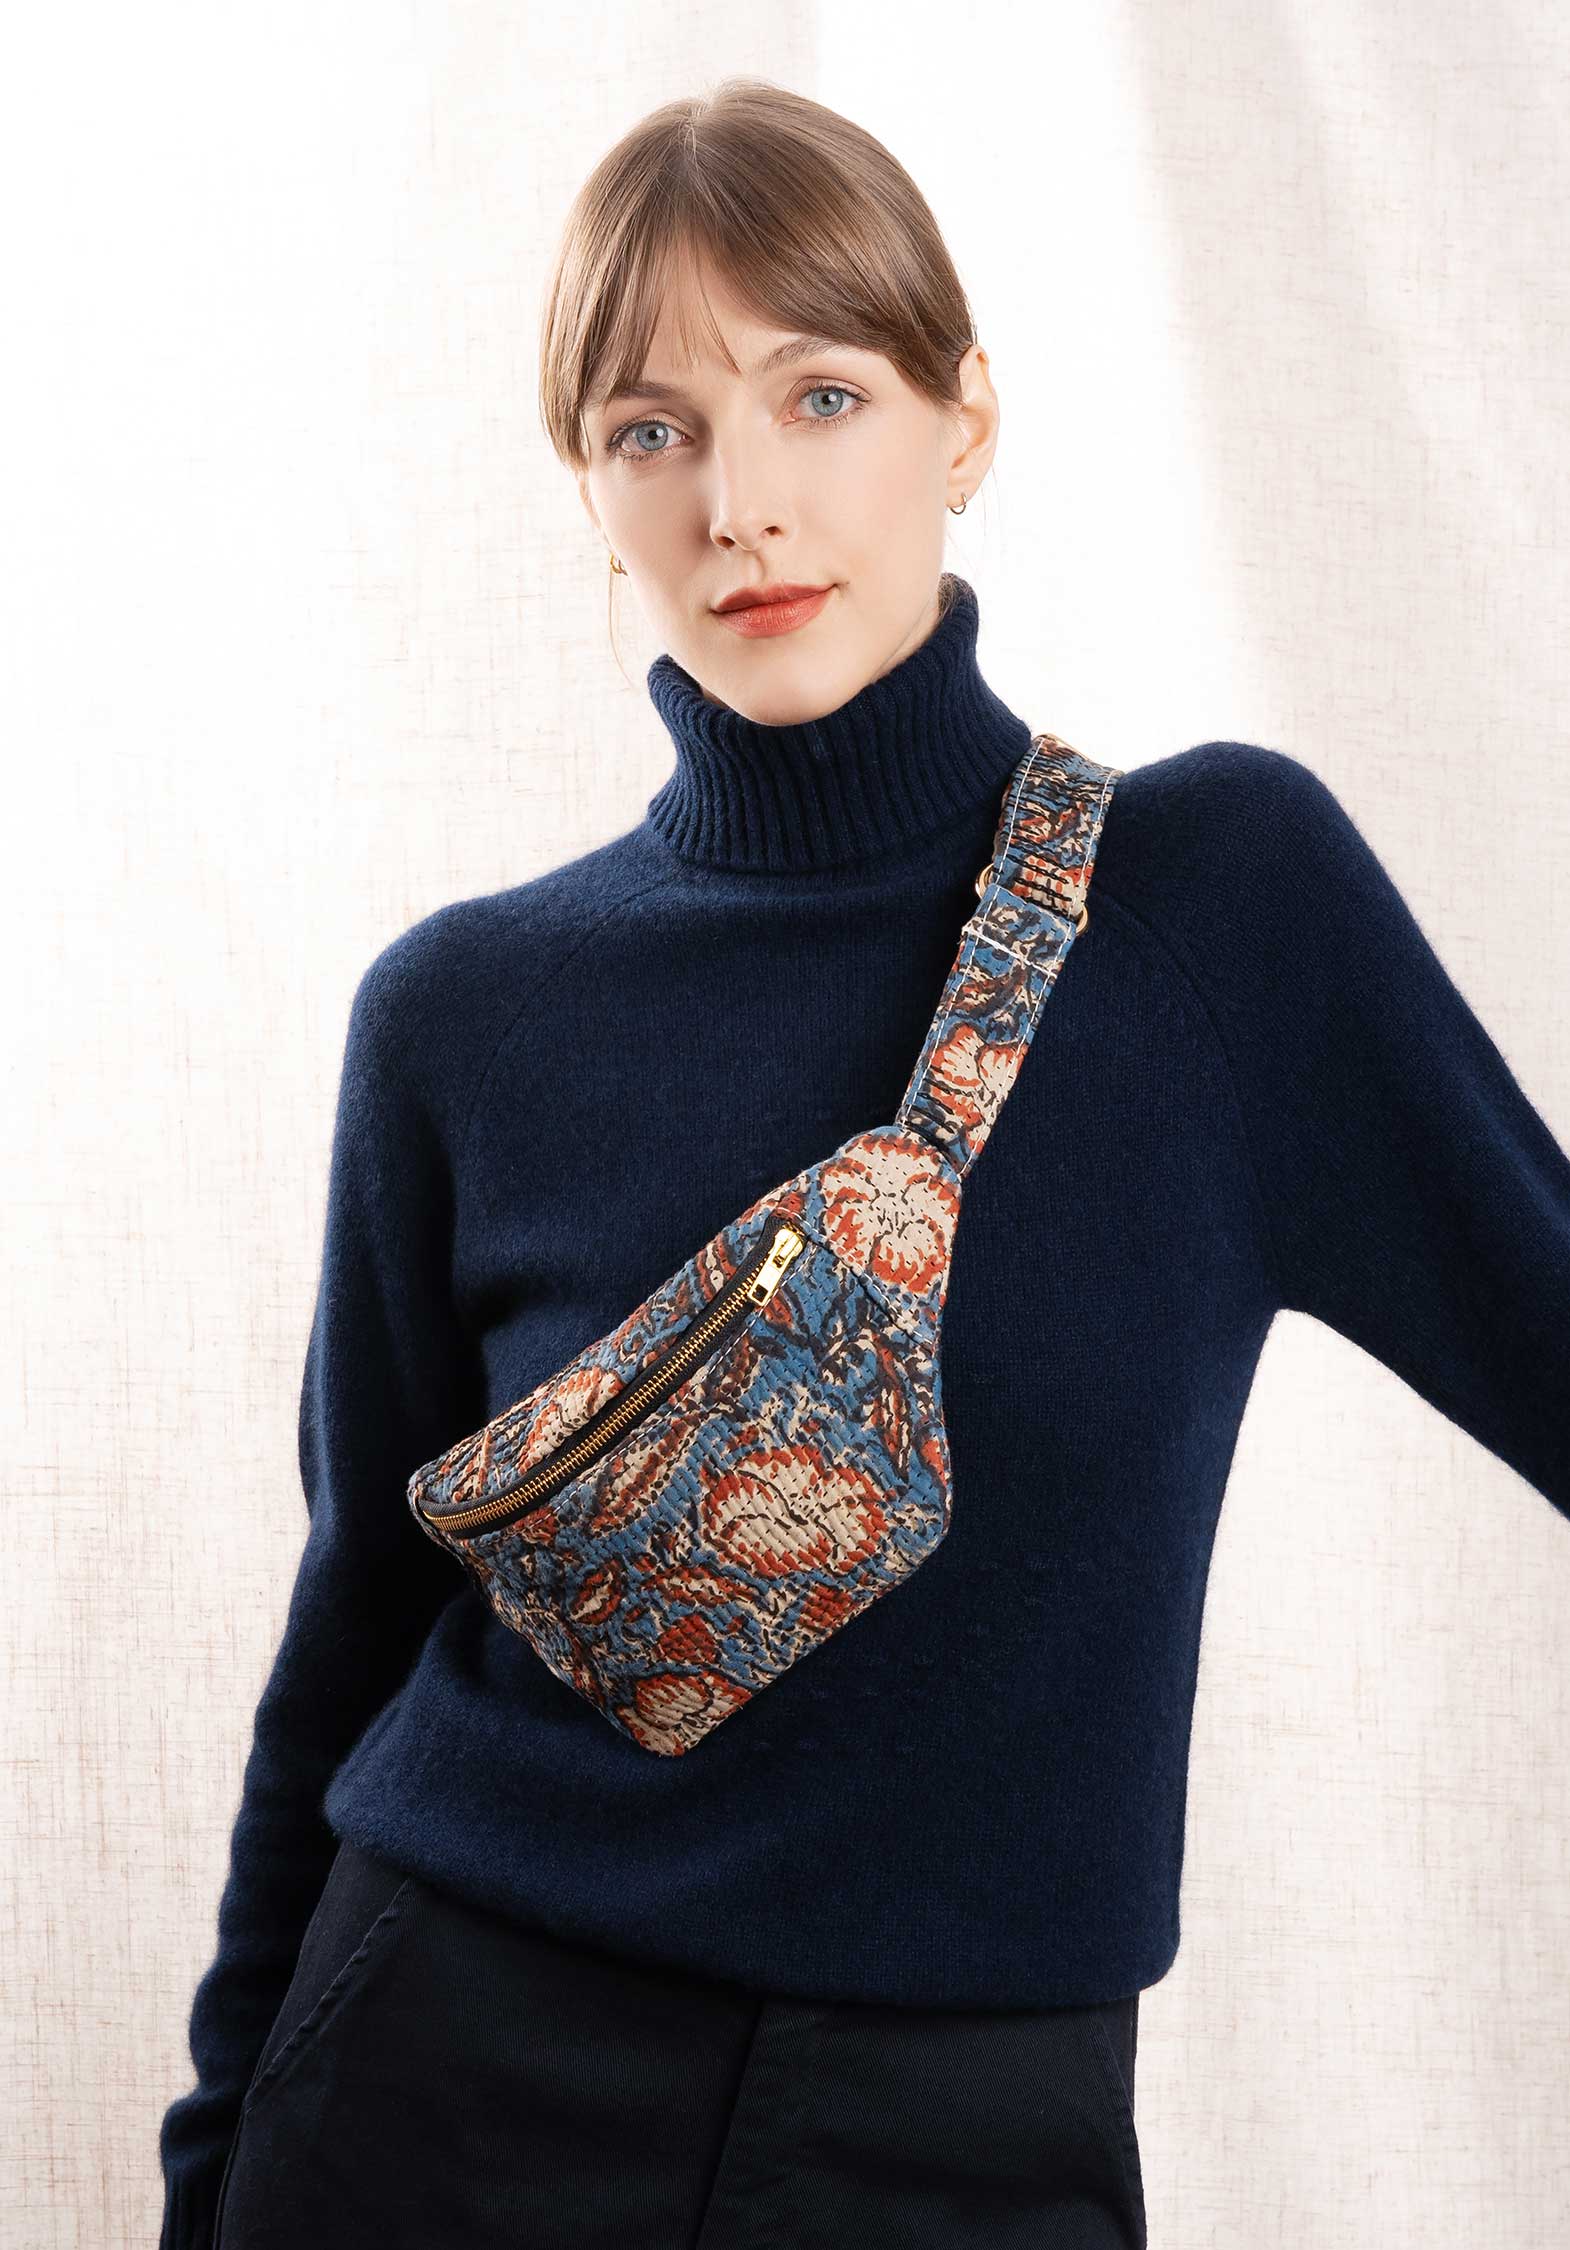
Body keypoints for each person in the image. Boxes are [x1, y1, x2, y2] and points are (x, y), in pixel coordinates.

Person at [158, 78, 1570, 2250]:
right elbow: (350, 1634)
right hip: (441, 2083)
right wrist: (216, 2164)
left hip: (965, 2138)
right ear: (588, 488)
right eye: (651, 430)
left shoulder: (1215, 906)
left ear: (962, 418)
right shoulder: (457, 1014)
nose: (741, 505)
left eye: (819, 396)